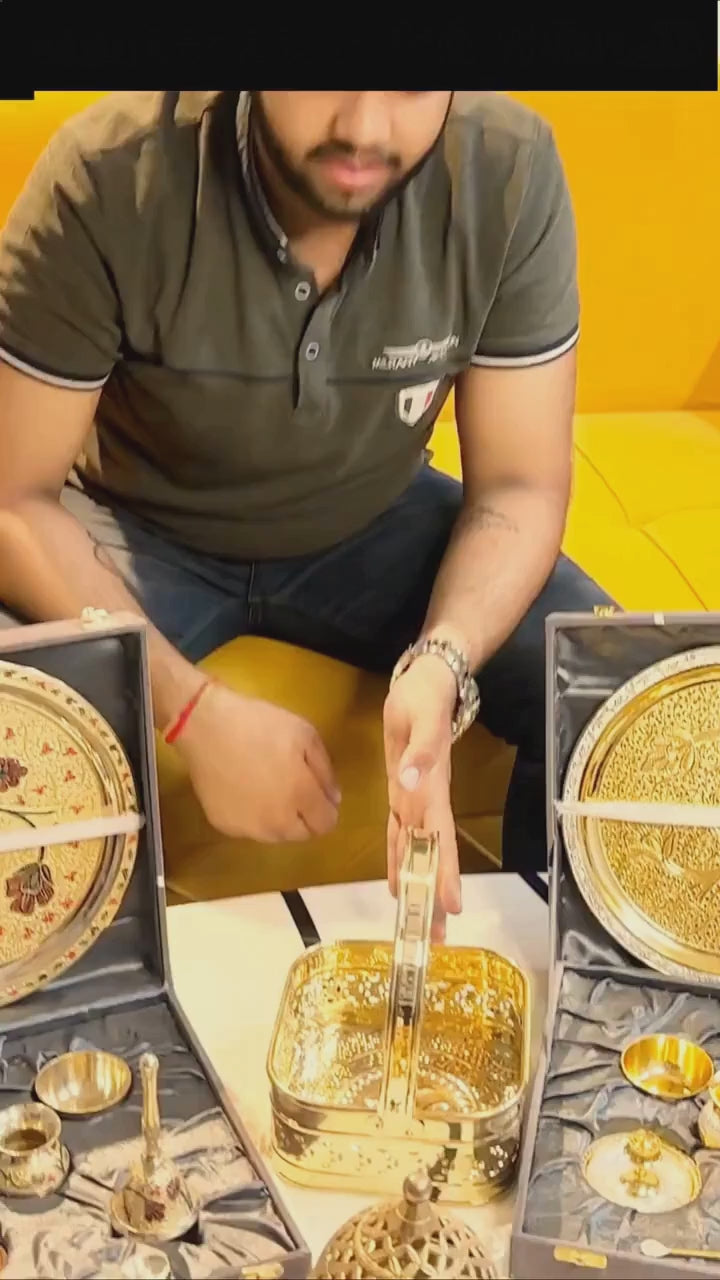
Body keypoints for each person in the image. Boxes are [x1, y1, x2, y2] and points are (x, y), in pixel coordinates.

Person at [0, 90, 611, 938]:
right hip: (131, 525)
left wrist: (444, 662)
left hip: (373, 519)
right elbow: (14, 497)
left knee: (615, 704)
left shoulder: (508, 170)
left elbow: (519, 486)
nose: (364, 128)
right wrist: (190, 712)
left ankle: (561, 994)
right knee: (18, 741)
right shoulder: (111, 173)